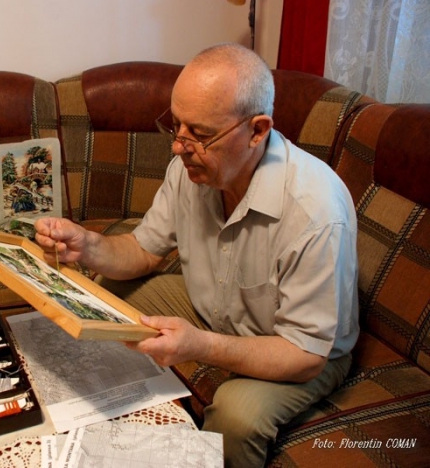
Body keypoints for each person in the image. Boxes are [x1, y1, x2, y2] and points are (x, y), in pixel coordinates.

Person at [34, 43, 359, 467]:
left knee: (237, 417)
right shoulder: (191, 168)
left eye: (201, 134)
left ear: (257, 131)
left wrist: (200, 345)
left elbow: (305, 355)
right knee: (108, 298)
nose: (178, 147)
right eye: (176, 126)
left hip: (297, 350)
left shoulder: (316, 213)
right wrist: (87, 245)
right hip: (217, 310)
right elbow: (143, 251)